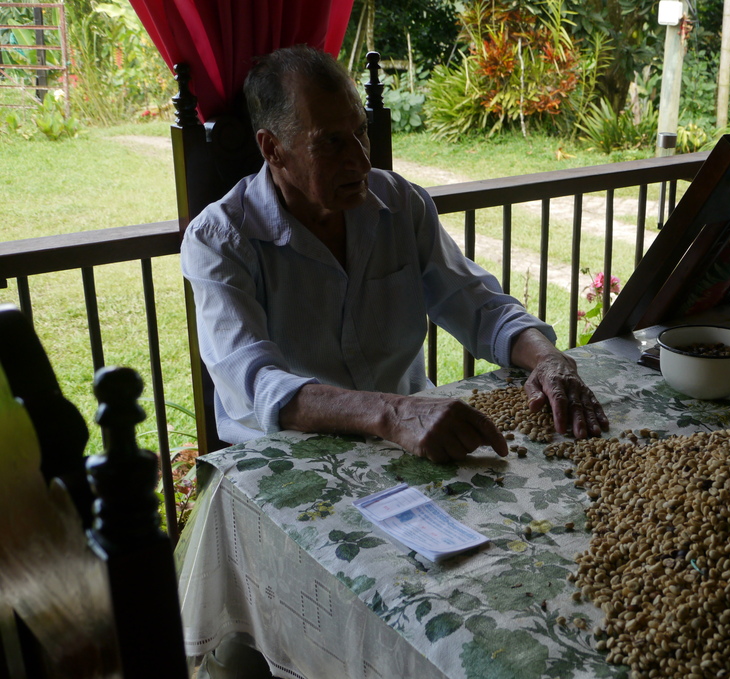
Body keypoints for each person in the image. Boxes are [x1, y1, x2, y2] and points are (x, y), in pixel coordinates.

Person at [181, 44, 607, 464]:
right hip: (292, 459)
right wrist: (393, 412)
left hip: (410, 437)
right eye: (331, 143)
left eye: (360, 132)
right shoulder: (219, 240)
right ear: (272, 148)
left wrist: (549, 359)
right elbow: (255, 385)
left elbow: (478, 306)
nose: (361, 162)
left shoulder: (399, 203)